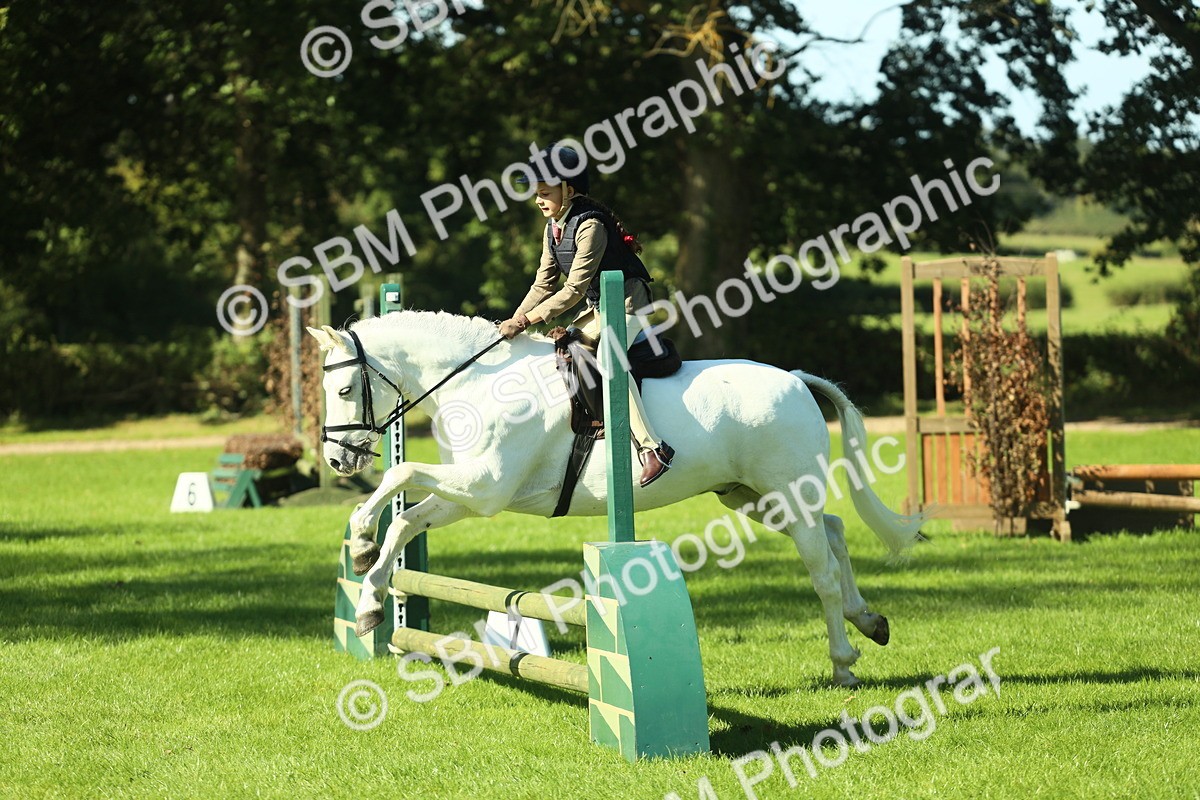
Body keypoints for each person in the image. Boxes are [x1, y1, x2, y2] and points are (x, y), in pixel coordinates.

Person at [498, 143, 675, 488]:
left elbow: (573, 289)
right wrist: (513, 320)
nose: (538, 200)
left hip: (628, 304)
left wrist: (525, 321)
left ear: (569, 190)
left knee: (608, 357)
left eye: (545, 193)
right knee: (563, 349)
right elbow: (543, 284)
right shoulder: (552, 228)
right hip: (599, 307)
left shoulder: (590, 226)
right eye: (536, 194)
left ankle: (653, 448)